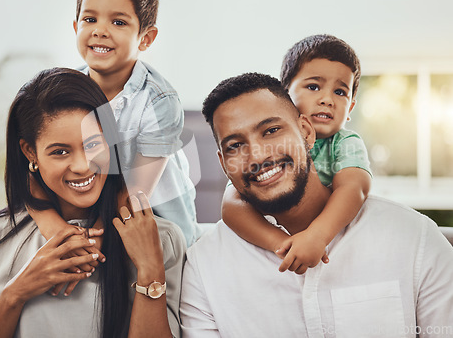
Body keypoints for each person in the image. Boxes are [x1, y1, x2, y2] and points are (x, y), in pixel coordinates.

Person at [180, 73, 453, 337]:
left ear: (307, 132)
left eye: (272, 130)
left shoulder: (414, 239)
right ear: (223, 164)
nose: (257, 156)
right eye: (235, 146)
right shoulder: (204, 268)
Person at [0, 68, 186, 338]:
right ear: (31, 152)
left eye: (93, 144)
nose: (82, 166)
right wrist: (16, 293)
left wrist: (149, 269)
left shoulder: (161, 239)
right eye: (60, 151)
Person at [29, 0, 200, 249]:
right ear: (76, 27)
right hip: (90, 216)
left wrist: (93, 240)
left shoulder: (159, 102)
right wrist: (57, 230)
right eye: (90, 20)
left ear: (145, 38)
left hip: (153, 223)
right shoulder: (61, 92)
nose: (100, 31)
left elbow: (134, 194)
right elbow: (32, 168)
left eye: (118, 22)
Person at [221, 35, 371, 274]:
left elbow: (354, 188)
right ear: (285, 94)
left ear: (351, 107)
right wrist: (282, 244)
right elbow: (231, 205)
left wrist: (317, 236)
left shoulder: (345, 143)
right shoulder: (266, 147)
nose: (327, 99)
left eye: (340, 92)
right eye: (313, 87)